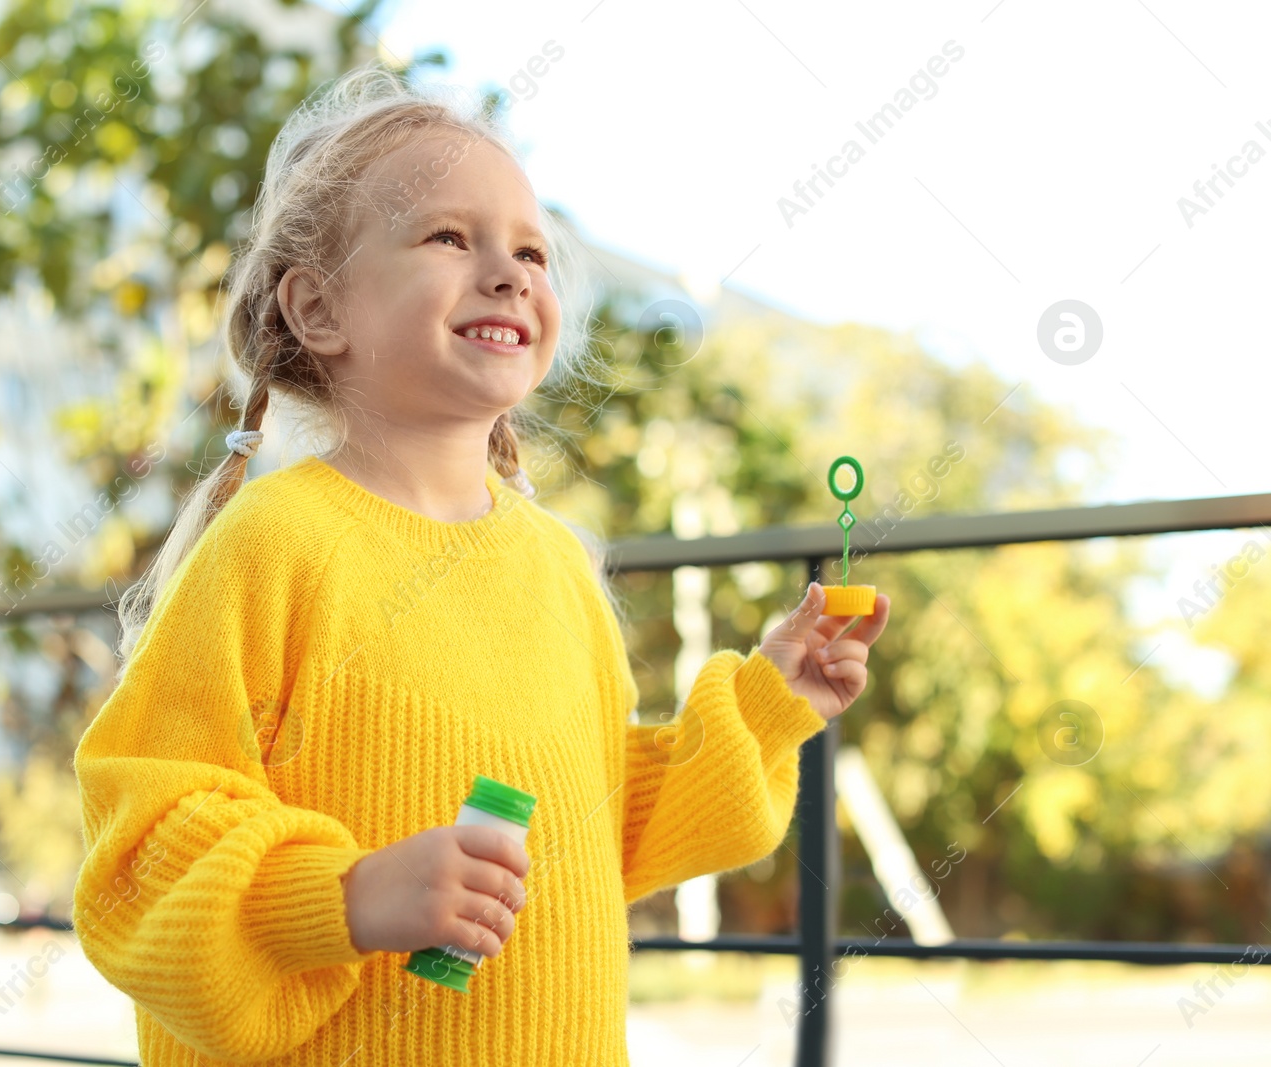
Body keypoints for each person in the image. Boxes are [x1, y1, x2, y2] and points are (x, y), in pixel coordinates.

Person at [71, 62, 891, 1067]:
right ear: (318, 308)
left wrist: (770, 703)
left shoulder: (555, 565)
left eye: (532, 251)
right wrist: (344, 896)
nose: (507, 272)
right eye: (448, 237)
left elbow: (600, 832)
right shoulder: (271, 545)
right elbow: (143, 844)